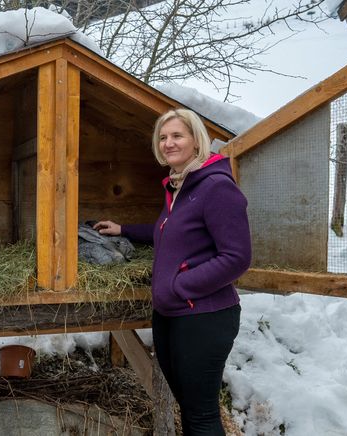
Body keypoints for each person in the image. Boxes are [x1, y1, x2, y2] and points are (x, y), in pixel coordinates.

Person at [94, 108, 251, 435]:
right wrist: (124, 229)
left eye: (177, 135)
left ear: (197, 141)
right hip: (172, 316)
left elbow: (237, 257)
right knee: (190, 409)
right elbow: (171, 231)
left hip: (204, 316)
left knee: (202, 416)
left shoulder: (217, 187)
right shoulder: (178, 186)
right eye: (163, 137)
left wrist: (181, 286)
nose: (168, 143)